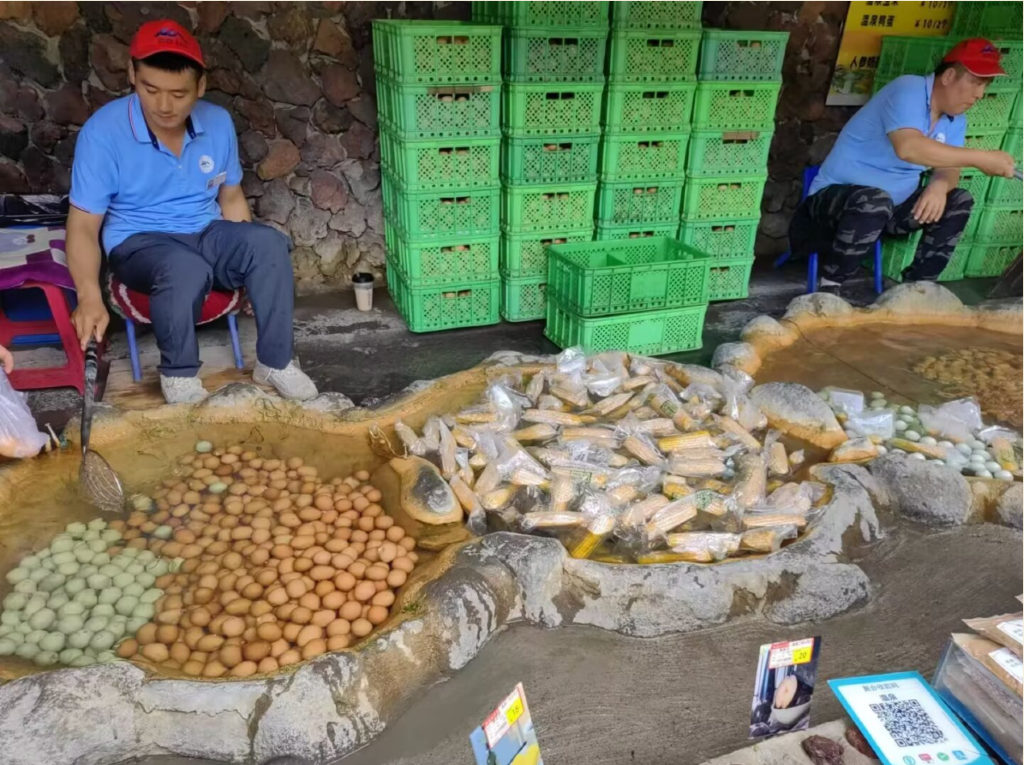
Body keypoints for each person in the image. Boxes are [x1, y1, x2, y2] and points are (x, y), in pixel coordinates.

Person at [66, 20, 318, 404]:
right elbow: (83, 226)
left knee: (267, 244)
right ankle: (179, 376)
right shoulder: (102, 134)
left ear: (200, 86)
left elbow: (230, 198)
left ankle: (275, 362)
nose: (164, 106)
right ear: (132, 74)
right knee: (185, 267)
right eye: (150, 90)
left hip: (205, 232)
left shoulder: (217, 123)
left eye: (178, 93)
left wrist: (250, 269)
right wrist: (88, 296)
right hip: (138, 241)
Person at [789, 38, 1018, 295]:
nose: (980, 94)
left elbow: (950, 167)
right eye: (976, 83)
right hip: (834, 206)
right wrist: (981, 158)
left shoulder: (956, 119)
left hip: (891, 209)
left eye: (985, 85)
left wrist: (939, 186)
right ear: (948, 76)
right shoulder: (908, 89)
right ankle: (829, 288)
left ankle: (916, 291)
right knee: (874, 201)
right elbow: (908, 148)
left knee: (958, 199)